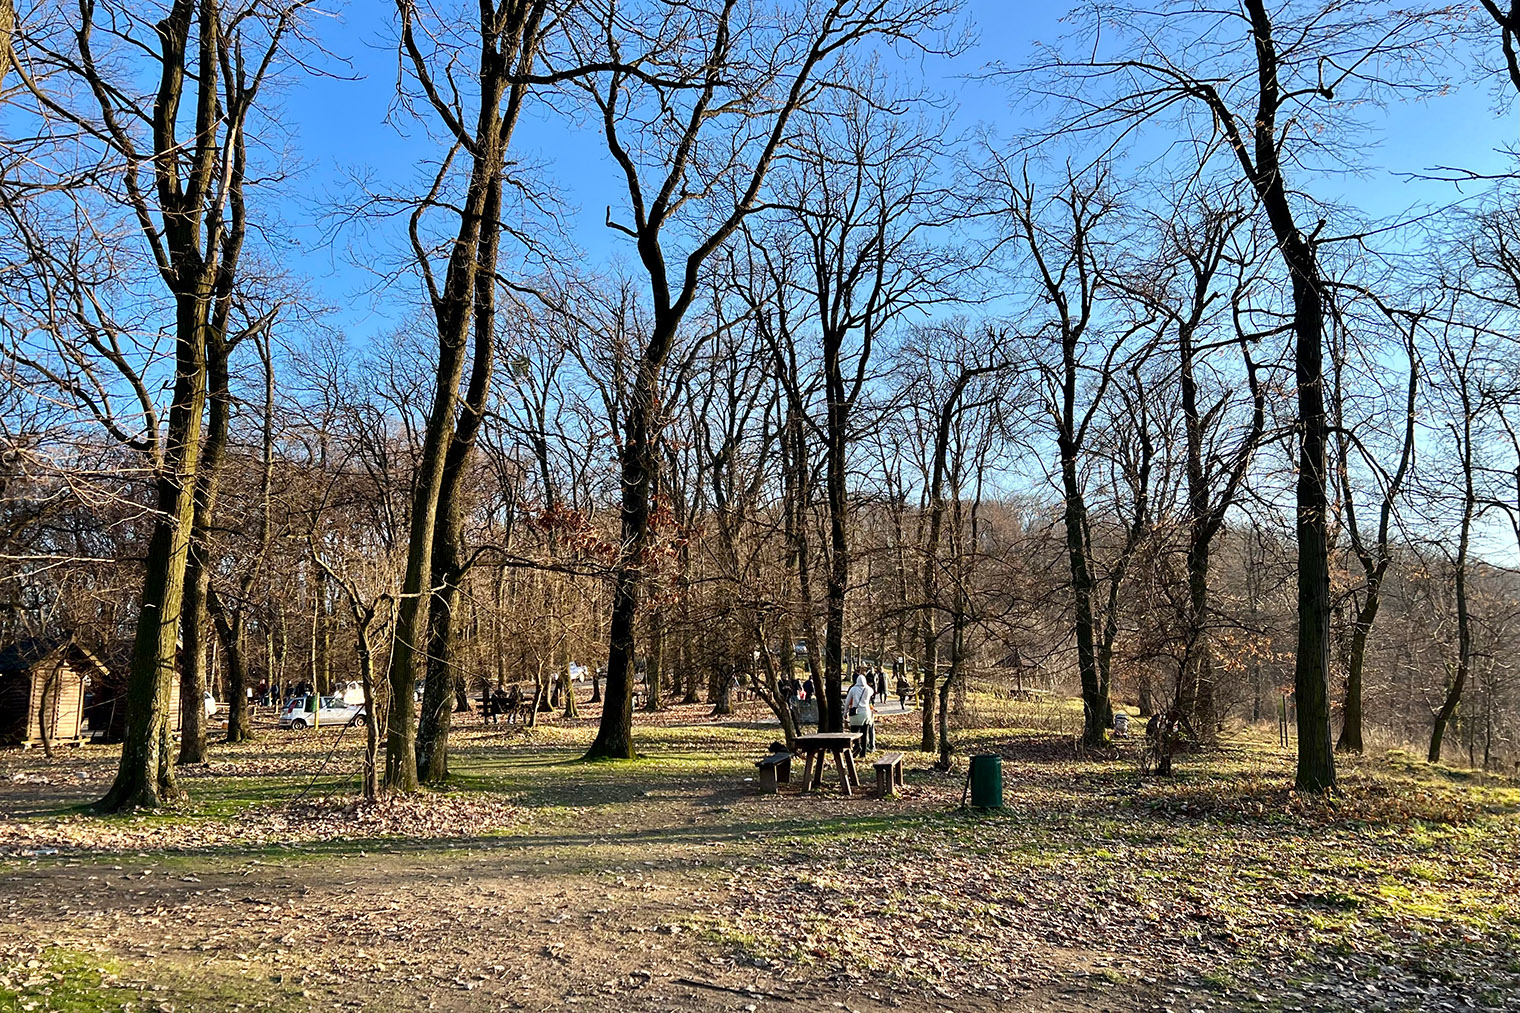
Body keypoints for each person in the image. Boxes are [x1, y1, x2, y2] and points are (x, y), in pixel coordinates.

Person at [845, 674, 874, 757]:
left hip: (855, 714)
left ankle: (857, 746)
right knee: (865, 734)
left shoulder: (853, 689)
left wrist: (845, 713)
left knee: (854, 733)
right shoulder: (868, 689)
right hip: (865, 714)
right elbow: (872, 692)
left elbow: (847, 702)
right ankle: (863, 754)